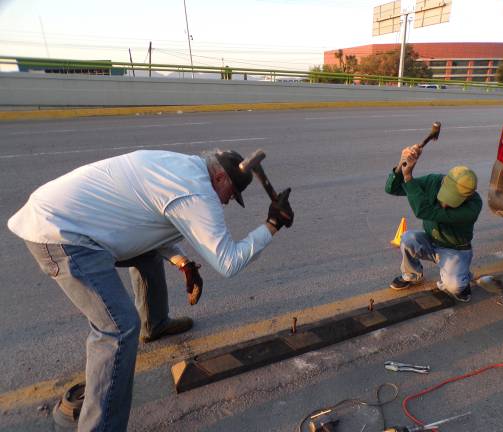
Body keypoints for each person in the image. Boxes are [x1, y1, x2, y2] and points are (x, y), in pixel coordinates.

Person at [7, 149, 294, 431]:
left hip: (62, 214)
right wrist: (272, 225)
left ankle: (155, 324)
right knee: (117, 329)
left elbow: (147, 223)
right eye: (231, 194)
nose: (228, 202)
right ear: (219, 178)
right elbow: (228, 262)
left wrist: (182, 263)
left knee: (146, 254)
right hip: (62, 236)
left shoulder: (181, 167)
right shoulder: (197, 193)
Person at [385, 144, 482, 302]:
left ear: (467, 197)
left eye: (452, 201)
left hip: (455, 250)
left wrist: (408, 177)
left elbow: (425, 212)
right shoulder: (434, 181)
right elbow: (393, 189)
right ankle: (412, 274)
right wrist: (402, 165)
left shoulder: (473, 207)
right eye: (444, 197)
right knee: (408, 238)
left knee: (455, 287)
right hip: (431, 241)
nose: (445, 204)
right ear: (444, 182)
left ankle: (462, 276)